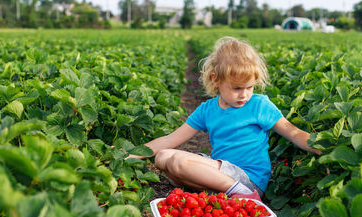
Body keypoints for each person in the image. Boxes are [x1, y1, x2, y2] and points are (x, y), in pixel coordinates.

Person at [129, 36, 321, 199]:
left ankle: (246, 197)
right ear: (216, 80)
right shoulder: (208, 110)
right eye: (237, 88)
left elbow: (294, 133)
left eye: (250, 87)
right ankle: (223, 196)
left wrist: (324, 149)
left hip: (249, 179)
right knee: (162, 158)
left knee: (178, 162)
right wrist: (130, 154)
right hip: (221, 174)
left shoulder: (259, 105)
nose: (244, 95)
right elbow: (170, 140)